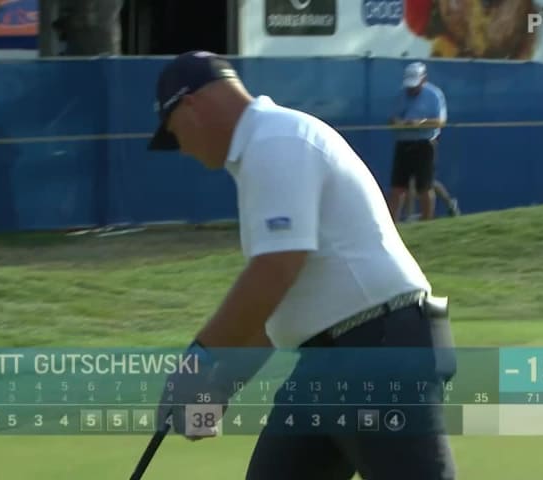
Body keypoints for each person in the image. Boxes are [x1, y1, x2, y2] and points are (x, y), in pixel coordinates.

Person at [147, 51, 456, 480]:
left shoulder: (275, 140)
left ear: (192, 107)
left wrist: (196, 362)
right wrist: (218, 389)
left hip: (379, 350)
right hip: (328, 361)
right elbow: (278, 306)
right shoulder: (265, 149)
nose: (180, 148)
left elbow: (275, 271)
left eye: (173, 132)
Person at [387, 62, 447, 222]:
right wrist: (398, 122)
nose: (411, 89)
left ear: (424, 79)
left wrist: (420, 123)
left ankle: (427, 222)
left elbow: (440, 121)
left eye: (415, 84)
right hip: (403, 144)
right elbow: (392, 118)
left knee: (424, 187)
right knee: (397, 188)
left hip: (424, 144)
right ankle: (392, 223)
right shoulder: (401, 95)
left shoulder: (434, 95)